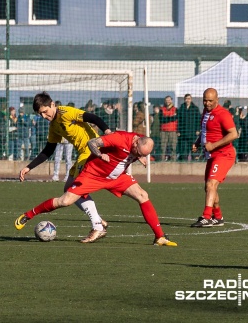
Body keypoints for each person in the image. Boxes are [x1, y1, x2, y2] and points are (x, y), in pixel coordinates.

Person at [15, 131, 177, 247]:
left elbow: (135, 153)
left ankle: (159, 237)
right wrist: (99, 154)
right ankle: (28, 215)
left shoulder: (139, 144)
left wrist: (140, 157)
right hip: (93, 175)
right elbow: (91, 143)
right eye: (138, 152)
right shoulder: (119, 139)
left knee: (143, 195)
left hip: (117, 177)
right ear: (135, 143)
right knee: (65, 201)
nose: (139, 155)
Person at [16, 92, 112, 243]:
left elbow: (93, 118)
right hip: (83, 154)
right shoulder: (53, 126)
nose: (43, 116)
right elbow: (49, 150)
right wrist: (29, 167)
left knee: (74, 191)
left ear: (52, 104)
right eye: (40, 114)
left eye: (45, 111)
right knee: (69, 189)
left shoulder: (66, 112)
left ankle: (98, 225)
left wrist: (107, 132)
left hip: (91, 153)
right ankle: (98, 220)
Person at [190, 88, 238, 228]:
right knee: (209, 187)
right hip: (211, 155)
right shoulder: (206, 112)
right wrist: (198, 143)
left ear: (217, 99)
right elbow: (206, 131)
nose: (207, 103)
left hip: (224, 154)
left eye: (210, 100)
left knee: (211, 184)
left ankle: (206, 217)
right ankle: (218, 217)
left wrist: (214, 145)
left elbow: (234, 134)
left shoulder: (223, 114)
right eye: (205, 100)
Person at [177, 94, 201, 161]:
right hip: (183, 133)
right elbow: (178, 120)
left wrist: (197, 129)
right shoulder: (181, 108)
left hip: (192, 133)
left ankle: (194, 161)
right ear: (184, 99)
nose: (187, 100)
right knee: (184, 150)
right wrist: (178, 130)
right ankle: (184, 162)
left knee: (193, 148)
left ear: (191, 99)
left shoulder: (195, 108)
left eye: (189, 98)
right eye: (186, 99)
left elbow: (198, 120)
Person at [159, 96, 178, 161]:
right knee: (162, 147)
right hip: (163, 131)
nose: (168, 101)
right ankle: (162, 160)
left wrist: (166, 118)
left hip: (173, 131)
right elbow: (162, 120)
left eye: (169, 100)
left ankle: (173, 160)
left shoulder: (175, 109)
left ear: (171, 100)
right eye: (166, 100)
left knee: (173, 147)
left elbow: (176, 118)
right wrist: (171, 117)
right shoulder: (161, 109)